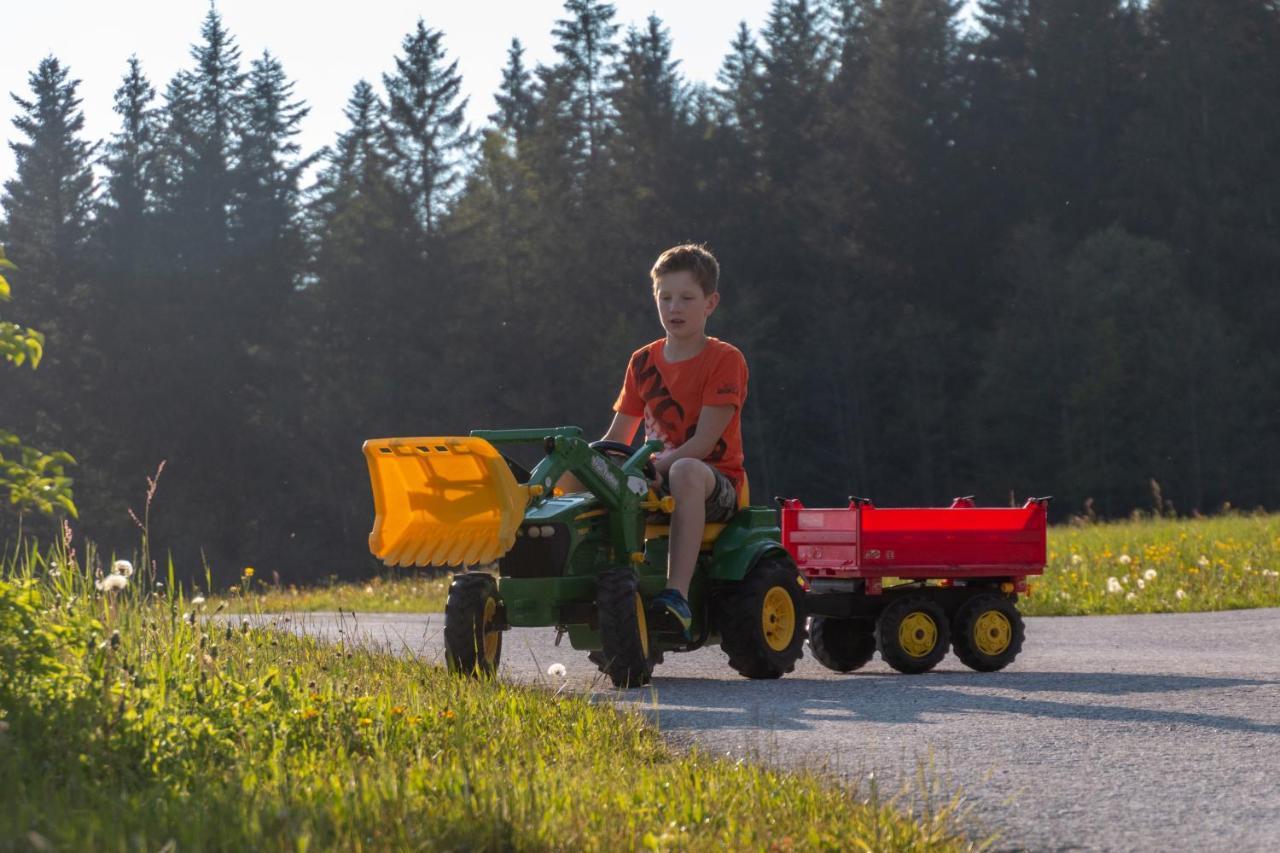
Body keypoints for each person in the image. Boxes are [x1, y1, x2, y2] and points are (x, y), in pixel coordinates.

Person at [602, 243, 749, 638]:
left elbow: (702, 445)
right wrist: (592, 467)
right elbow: (617, 438)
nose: (674, 308)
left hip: (714, 484)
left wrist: (648, 469)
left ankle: (676, 597)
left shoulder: (724, 359)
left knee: (685, 469)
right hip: (652, 476)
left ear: (710, 303)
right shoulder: (642, 362)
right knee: (588, 472)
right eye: (665, 298)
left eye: (686, 298)